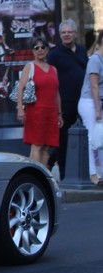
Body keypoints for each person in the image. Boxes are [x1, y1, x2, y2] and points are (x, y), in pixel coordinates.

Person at [47, 19, 88, 179]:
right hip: (64, 102)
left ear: (75, 34)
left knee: (85, 136)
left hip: (83, 101)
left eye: (69, 32)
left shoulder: (82, 50)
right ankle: (64, 175)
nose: (66, 35)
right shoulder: (55, 54)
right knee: (63, 139)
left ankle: (52, 161)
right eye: (63, 32)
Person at [17, 36, 62, 166]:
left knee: (47, 146)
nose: (40, 50)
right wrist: (20, 109)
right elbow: (20, 89)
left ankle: (43, 177)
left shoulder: (53, 69)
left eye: (43, 47)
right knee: (36, 145)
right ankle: (34, 177)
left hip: (51, 112)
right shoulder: (30, 67)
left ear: (48, 49)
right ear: (32, 50)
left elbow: (56, 93)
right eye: (36, 47)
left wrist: (59, 114)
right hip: (35, 111)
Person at [77, 30, 103, 186]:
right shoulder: (95, 60)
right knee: (92, 139)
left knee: (100, 139)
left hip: (99, 102)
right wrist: (98, 110)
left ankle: (100, 172)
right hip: (89, 103)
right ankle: (92, 173)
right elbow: (94, 86)